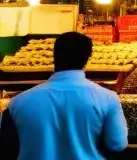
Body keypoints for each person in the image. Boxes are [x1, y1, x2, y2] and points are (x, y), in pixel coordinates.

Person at [0, 32, 127, 160]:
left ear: (54, 56)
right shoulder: (108, 99)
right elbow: (117, 144)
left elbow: (6, 149)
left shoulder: (17, 104)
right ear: (88, 58)